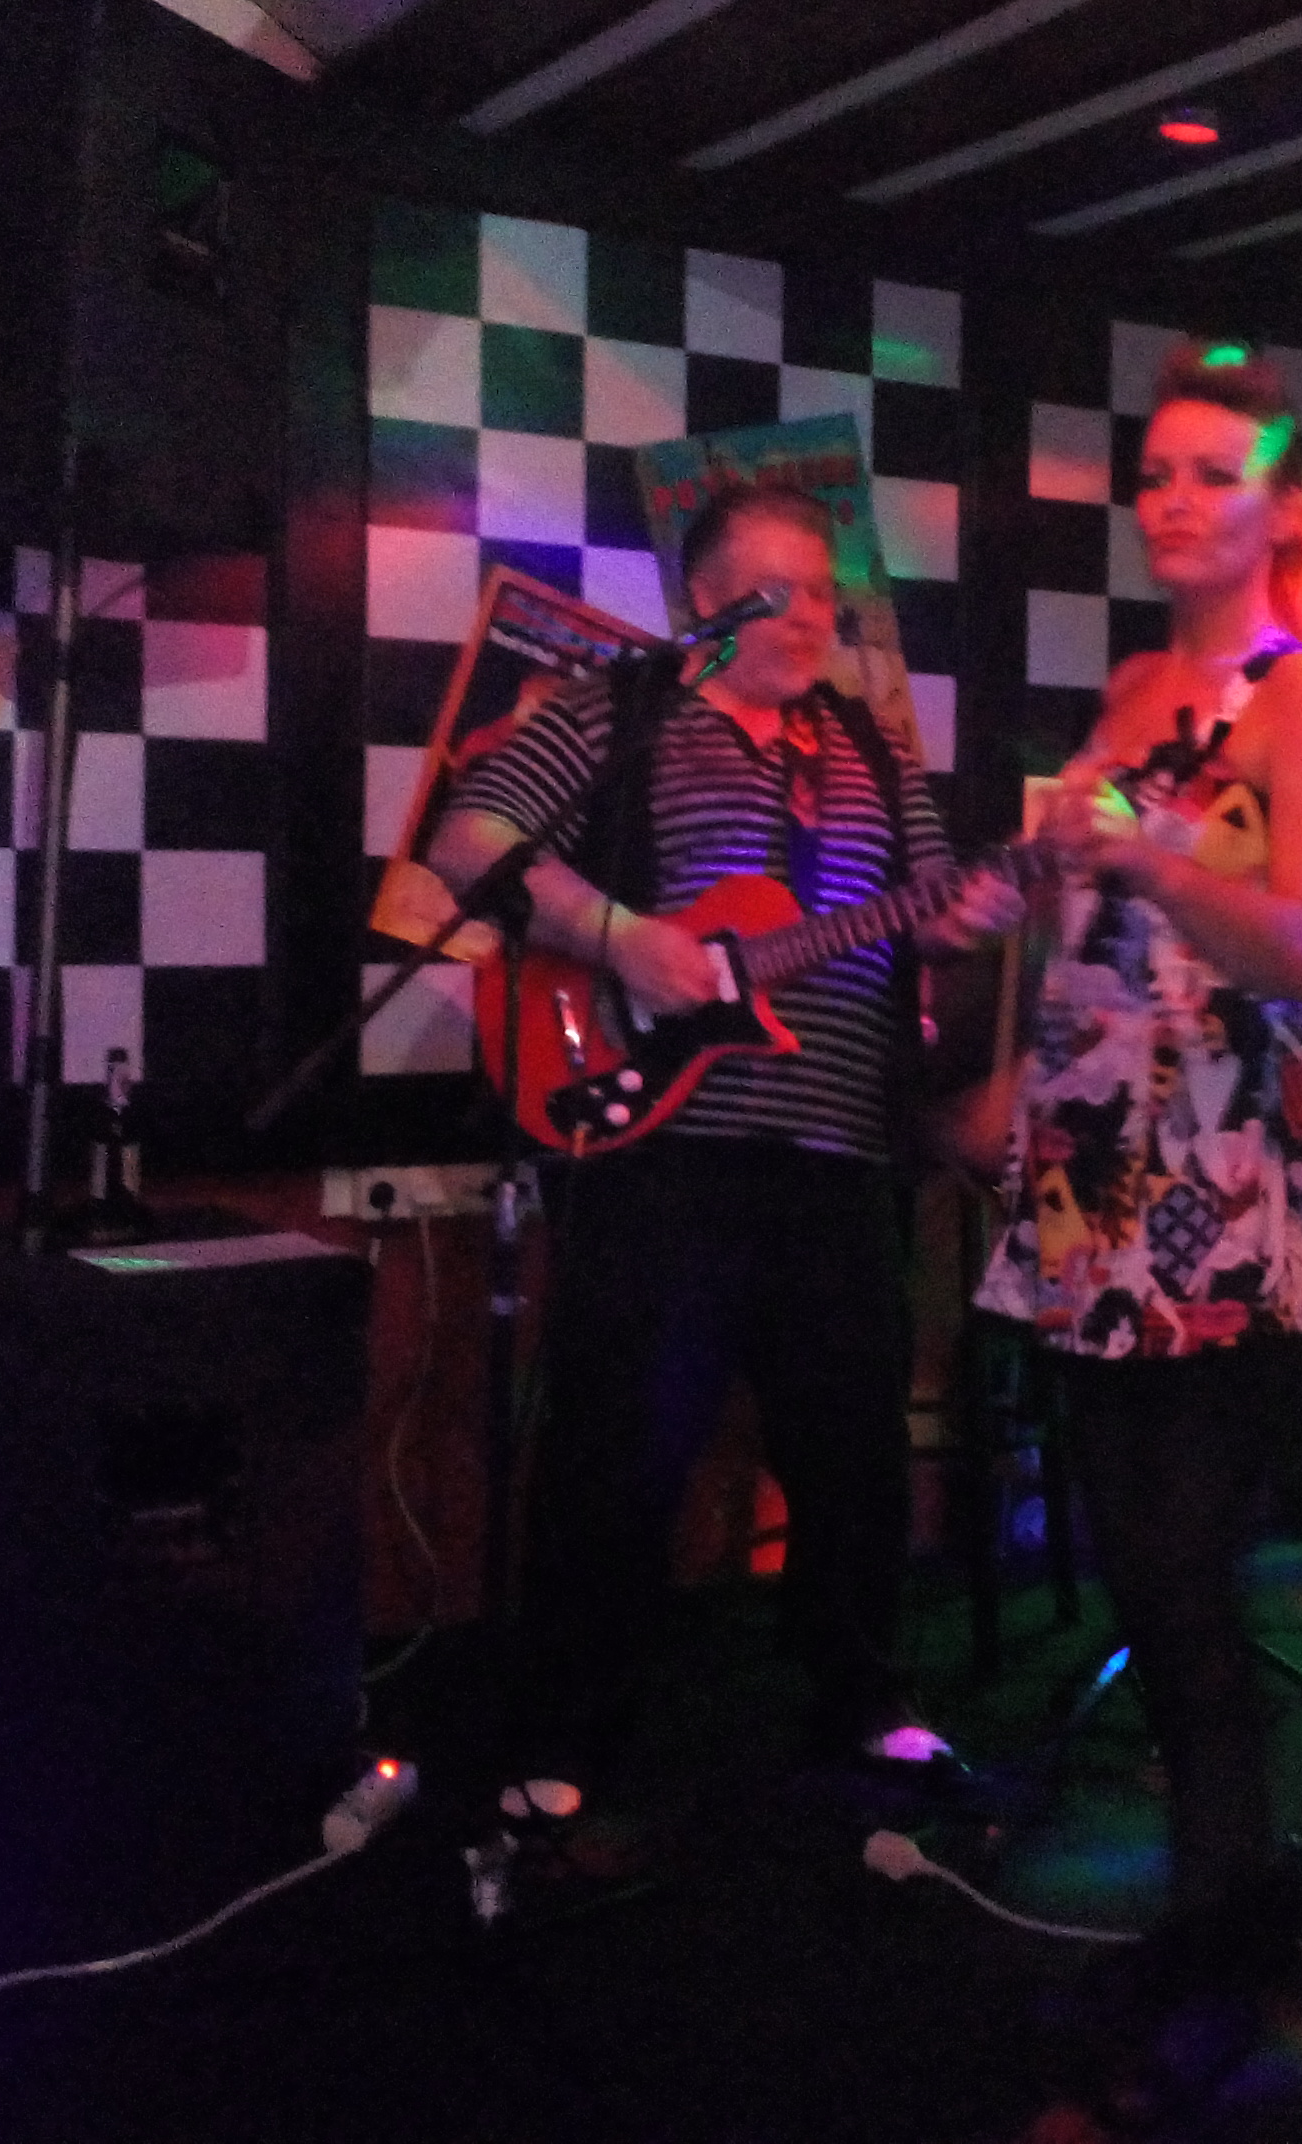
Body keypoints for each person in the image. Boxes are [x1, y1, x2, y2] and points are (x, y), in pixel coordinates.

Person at [425, 483, 1020, 1831]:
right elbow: (468, 840)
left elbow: (930, 921)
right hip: (662, 1148)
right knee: (617, 1451)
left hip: (837, 1154)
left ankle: (863, 1706)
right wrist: (625, 938)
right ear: (704, 602)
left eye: (825, 593)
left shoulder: (870, 750)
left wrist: (978, 910)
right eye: (778, 591)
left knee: (853, 1452)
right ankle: (567, 1731)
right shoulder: (621, 714)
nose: (811, 617)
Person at [974, 340, 1302, 2108]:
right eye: (1154, 470)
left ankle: (1230, 1929)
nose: (1170, 499)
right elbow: (1074, 929)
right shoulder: (1138, 679)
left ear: (1281, 507)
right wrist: (1015, 915)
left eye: (1212, 472)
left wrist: (1144, 859)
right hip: (1094, 1161)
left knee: (1183, 1570)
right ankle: (1214, 1915)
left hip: (1220, 1172)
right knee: (1136, 1563)